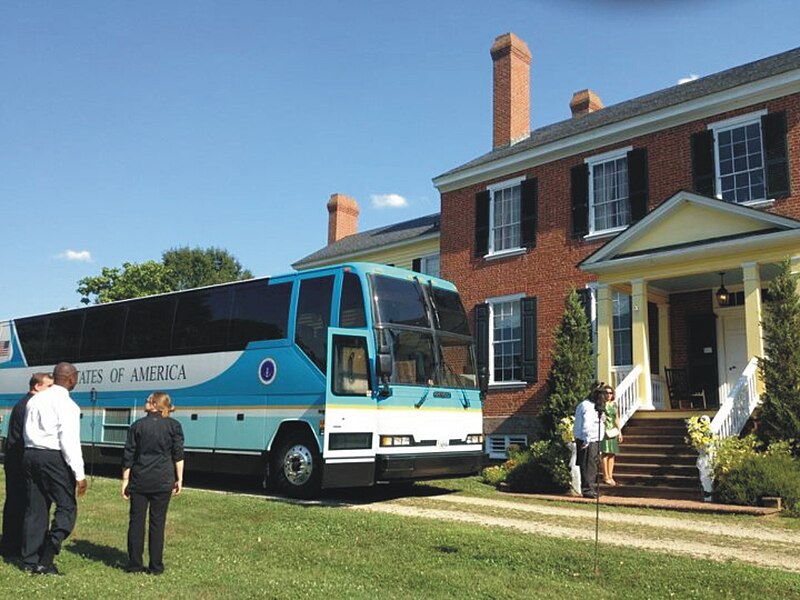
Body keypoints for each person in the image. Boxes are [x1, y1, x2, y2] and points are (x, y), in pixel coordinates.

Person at [21, 362, 87, 575]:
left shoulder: (35, 400)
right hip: (53, 456)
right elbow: (69, 441)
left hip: (30, 453)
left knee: (36, 508)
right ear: (70, 378)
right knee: (67, 507)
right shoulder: (68, 406)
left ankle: (29, 559)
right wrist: (79, 474)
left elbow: (26, 430)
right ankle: (47, 558)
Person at [121, 392, 184, 575]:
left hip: (140, 479)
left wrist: (125, 480)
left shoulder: (137, 426)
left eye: (148, 400)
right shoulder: (174, 426)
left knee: (136, 522)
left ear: (155, 404)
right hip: (163, 479)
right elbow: (178, 455)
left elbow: (128, 455)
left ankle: (134, 565)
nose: (145, 403)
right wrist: (179, 478)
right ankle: (156, 566)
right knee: (158, 523)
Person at [0, 373, 53, 558]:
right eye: (49, 386)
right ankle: (15, 545)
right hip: (19, 461)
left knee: (16, 503)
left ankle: (11, 544)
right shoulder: (29, 406)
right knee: (21, 504)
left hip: (15, 460)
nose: (51, 391)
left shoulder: (23, 403)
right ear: (37, 386)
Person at [573, 384, 605, 499]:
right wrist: (586, 440)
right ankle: (587, 490)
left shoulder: (591, 405)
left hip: (593, 439)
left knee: (592, 465)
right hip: (588, 440)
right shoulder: (588, 407)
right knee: (588, 465)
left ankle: (590, 488)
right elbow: (587, 425)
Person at [601, 385, 623, 486]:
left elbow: (617, 418)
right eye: (606, 393)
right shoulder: (601, 404)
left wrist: (620, 432)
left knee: (612, 454)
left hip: (613, 431)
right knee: (605, 453)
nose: (608, 395)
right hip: (605, 431)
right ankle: (605, 476)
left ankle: (611, 475)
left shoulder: (614, 404)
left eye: (610, 393)